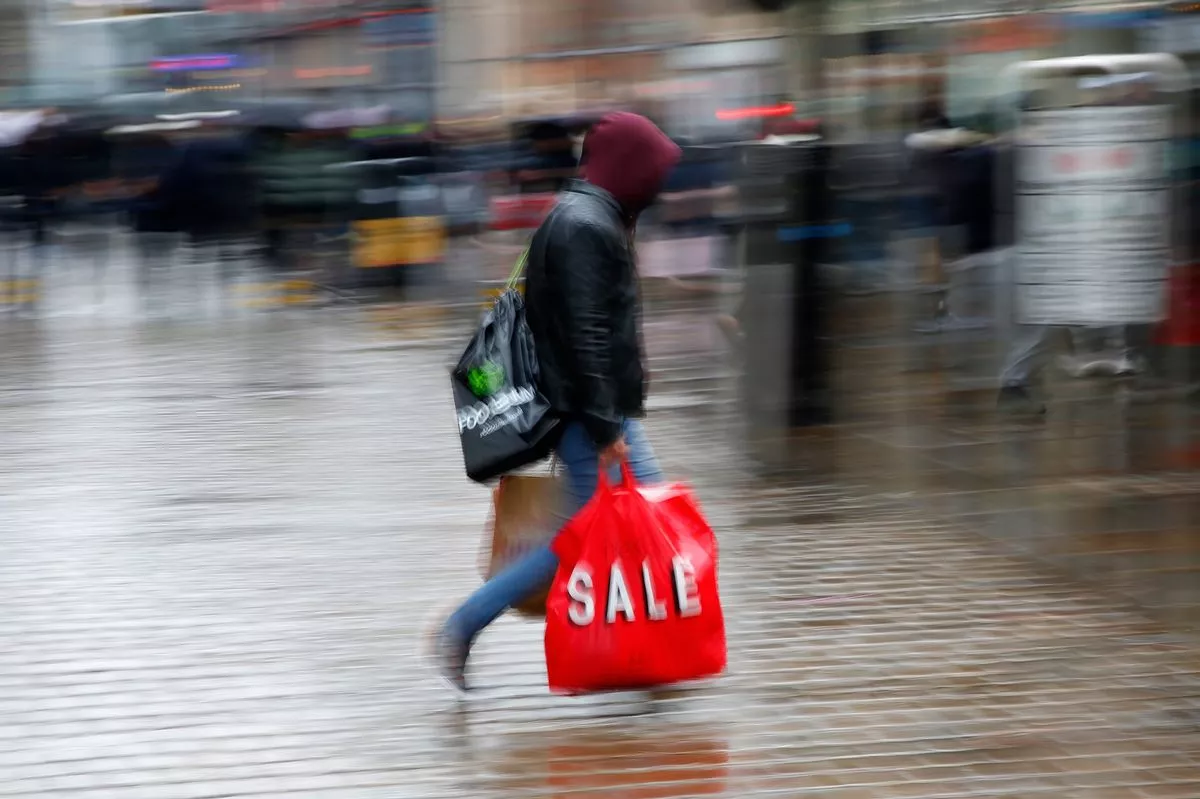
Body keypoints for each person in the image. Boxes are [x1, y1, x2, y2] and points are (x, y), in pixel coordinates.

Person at [432, 112, 683, 691]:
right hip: (587, 414)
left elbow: (595, 326)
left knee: (619, 531)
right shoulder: (585, 225)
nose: (658, 188)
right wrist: (603, 427)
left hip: (594, 407)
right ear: (631, 167)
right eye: (653, 173)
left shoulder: (588, 216)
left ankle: (644, 656)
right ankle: (465, 624)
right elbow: (584, 334)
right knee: (603, 536)